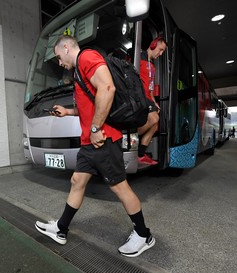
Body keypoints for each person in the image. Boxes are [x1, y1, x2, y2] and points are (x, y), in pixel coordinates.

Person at [35, 35, 155, 258]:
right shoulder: (79, 71)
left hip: (103, 138)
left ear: (68, 48)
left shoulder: (86, 58)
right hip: (91, 142)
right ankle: (61, 229)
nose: (59, 62)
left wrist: (95, 128)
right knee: (77, 181)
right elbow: (90, 101)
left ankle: (144, 234)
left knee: (120, 187)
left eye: (59, 57)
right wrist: (68, 111)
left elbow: (107, 88)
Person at [137, 37, 167, 165]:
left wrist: (154, 102)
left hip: (148, 99)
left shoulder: (152, 66)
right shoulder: (138, 57)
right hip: (139, 97)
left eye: (163, 52)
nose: (160, 54)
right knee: (154, 119)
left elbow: (150, 88)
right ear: (153, 44)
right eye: (160, 50)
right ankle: (123, 138)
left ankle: (140, 154)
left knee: (155, 125)